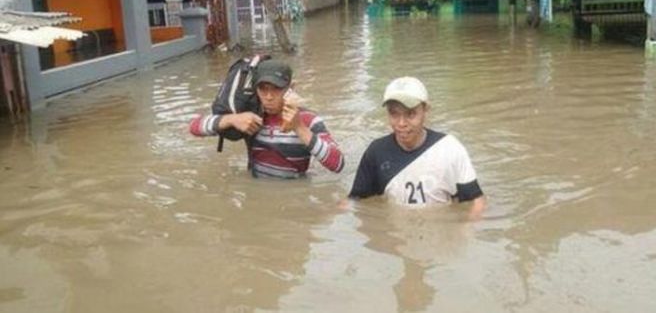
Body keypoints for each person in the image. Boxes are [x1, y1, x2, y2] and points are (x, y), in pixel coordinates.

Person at [349, 77, 485, 218]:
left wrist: (464, 232)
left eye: (410, 114)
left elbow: (476, 202)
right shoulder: (376, 152)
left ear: (425, 110)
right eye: (394, 113)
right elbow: (355, 202)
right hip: (397, 235)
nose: (401, 123)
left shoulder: (450, 149)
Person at [190, 59, 344, 178]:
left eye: (276, 89)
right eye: (263, 89)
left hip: (293, 204)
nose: (269, 97)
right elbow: (194, 127)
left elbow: (338, 164)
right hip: (255, 199)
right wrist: (231, 119)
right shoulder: (251, 117)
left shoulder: (308, 120)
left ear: (291, 87)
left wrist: (299, 128)